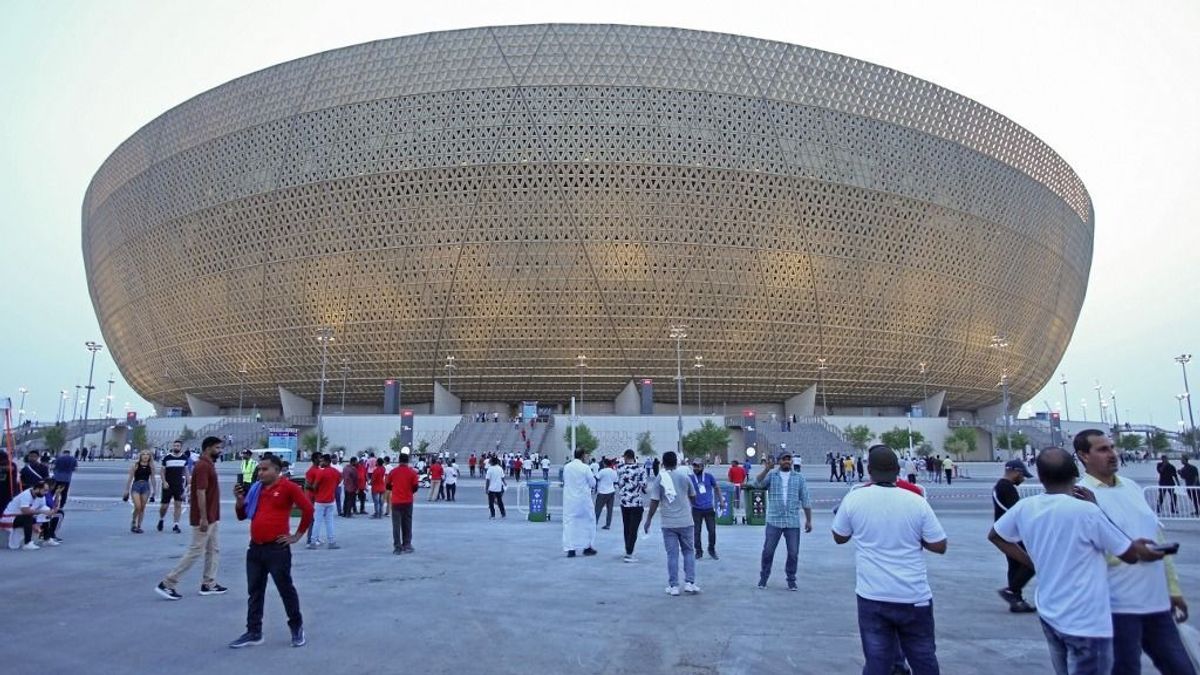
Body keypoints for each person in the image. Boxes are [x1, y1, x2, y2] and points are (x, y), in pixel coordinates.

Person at [989, 448, 1161, 675]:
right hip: (1085, 620)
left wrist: (1032, 562)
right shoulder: (1087, 511)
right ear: (1074, 474)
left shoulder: (1026, 507)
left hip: (1050, 613)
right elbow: (1128, 553)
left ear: (1040, 477)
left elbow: (995, 535)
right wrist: (1098, 508)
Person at [1073, 430, 1195, 674]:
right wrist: (1132, 552)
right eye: (1103, 449)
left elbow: (1156, 536)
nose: (1112, 454)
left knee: (1182, 669)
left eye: (1112, 447)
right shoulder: (1080, 496)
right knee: (1125, 669)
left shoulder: (1131, 488)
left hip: (1156, 605)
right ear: (1083, 456)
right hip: (1116, 609)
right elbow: (1083, 554)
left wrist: (1173, 589)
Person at [832, 445, 947, 675]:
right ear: (897, 470)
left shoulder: (855, 499)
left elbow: (839, 537)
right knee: (924, 657)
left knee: (877, 661)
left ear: (869, 470)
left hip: (873, 595)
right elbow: (939, 545)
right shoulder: (916, 501)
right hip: (914, 595)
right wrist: (915, 539)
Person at [229, 454, 314, 649]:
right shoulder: (256, 490)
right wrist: (240, 501)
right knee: (255, 591)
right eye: (259, 469)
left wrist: (296, 536)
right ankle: (253, 631)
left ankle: (296, 627)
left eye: (265, 469)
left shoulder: (289, 487)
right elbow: (242, 516)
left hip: (277, 549)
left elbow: (308, 509)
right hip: (256, 548)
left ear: (278, 470)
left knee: (286, 590)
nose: (260, 472)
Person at [155, 436, 227, 600]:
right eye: (217, 448)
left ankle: (209, 583)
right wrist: (203, 517)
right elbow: (200, 492)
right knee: (196, 550)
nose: (220, 451)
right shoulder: (202, 466)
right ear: (208, 448)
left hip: (212, 516)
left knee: (213, 549)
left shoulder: (209, 465)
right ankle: (168, 583)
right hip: (205, 517)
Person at [748, 452, 812, 590]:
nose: (787, 462)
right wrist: (766, 469)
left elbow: (805, 499)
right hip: (774, 520)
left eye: (789, 459)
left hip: (792, 521)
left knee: (793, 553)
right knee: (768, 551)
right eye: (784, 459)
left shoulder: (799, 478)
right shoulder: (772, 475)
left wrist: (808, 520)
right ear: (779, 461)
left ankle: (791, 579)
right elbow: (756, 483)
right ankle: (764, 577)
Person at [644, 451, 698, 595]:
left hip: (668, 523)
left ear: (663, 462)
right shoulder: (685, 477)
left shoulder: (660, 478)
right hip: (686, 521)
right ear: (676, 462)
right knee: (688, 551)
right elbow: (693, 496)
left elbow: (654, 500)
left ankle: (674, 586)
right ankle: (690, 583)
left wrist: (649, 519)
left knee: (672, 555)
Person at [992, 458, 1036, 613]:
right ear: (1015, 472)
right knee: (1031, 562)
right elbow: (1015, 512)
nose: (1023, 479)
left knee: (1015, 565)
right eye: (1022, 475)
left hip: (1005, 533)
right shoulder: (1006, 487)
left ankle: (1016, 600)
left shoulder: (1001, 486)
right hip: (1012, 534)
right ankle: (1012, 591)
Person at [562, 449, 598, 557]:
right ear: (582, 456)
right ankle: (587, 546)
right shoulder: (585, 468)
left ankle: (570, 549)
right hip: (583, 500)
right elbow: (593, 483)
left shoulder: (567, 467)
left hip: (570, 500)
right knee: (587, 523)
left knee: (569, 524)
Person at [689, 459, 725, 560]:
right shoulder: (690, 478)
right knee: (697, 531)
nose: (695, 468)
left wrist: (721, 501)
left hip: (709, 508)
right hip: (696, 509)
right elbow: (686, 491)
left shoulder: (709, 477)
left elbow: (717, 488)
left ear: (702, 467)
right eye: (694, 466)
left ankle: (711, 549)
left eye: (697, 466)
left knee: (712, 531)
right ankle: (698, 551)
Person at [4, 480, 56, 549]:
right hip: (9, 517)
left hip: (21, 516)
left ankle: (46, 538)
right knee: (28, 517)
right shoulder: (26, 495)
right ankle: (27, 543)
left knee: (46, 510)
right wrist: (39, 515)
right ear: (37, 489)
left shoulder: (41, 496)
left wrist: (49, 512)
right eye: (45, 490)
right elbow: (25, 511)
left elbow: (42, 508)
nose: (46, 493)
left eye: (47, 491)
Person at [616, 449, 648, 562]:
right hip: (636, 502)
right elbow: (644, 485)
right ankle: (629, 553)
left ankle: (627, 550)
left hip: (624, 502)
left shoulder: (619, 468)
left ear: (625, 456)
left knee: (626, 527)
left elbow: (619, 484)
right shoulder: (640, 468)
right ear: (634, 457)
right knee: (634, 528)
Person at [387, 453, 419, 554]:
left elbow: (388, 486)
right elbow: (415, 487)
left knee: (396, 525)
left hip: (396, 501)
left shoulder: (393, 472)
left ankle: (397, 547)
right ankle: (407, 544)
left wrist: (396, 489)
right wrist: (408, 491)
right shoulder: (412, 472)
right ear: (408, 461)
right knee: (407, 523)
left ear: (399, 460)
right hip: (408, 501)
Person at [307, 454, 340, 550]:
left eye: (322, 461)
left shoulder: (321, 473)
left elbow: (315, 487)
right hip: (330, 500)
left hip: (320, 500)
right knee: (330, 522)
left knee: (317, 521)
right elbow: (338, 481)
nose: (320, 463)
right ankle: (332, 542)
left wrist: (309, 486)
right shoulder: (335, 472)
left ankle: (313, 542)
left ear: (326, 461)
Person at [158, 440, 191, 533]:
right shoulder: (167, 458)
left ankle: (176, 524)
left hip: (178, 485)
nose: (176, 447)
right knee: (164, 506)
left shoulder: (184, 458)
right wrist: (164, 481)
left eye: (178, 446)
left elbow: (186, 471)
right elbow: (162, 471)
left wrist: (189, 483)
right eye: (175, 445)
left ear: (181, 447)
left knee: (178, 505)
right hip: (168, 485)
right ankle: (161, 519)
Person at [123, 450, 157, 533]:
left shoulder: (151, 466)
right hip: (136, 485)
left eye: (147, 455)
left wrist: (154, 490)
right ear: (140, 456)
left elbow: (152, 478)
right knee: (137, 506)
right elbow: (130, 477)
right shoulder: (136, 465)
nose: (145, 456)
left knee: (142, 507)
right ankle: (134, 521)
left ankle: (139, 525)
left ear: (150, 456)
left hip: (145, 486)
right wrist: (126, 490)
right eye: (144, 454)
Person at [594, 459, 618, 530]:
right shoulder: (614, 472)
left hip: (602, 492)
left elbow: (597, 478)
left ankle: (595, 523)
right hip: (611, 492)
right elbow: (615, 481)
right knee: (609, 509)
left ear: (605, 464)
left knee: (598, 509)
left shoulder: (602, 471)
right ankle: (608, 525)